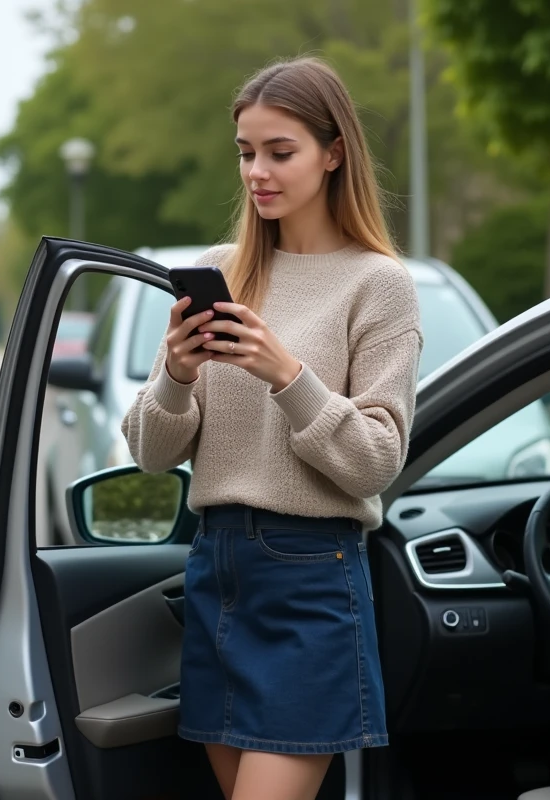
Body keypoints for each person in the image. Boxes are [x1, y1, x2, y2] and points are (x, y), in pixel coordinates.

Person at [120, 56, 422, 800]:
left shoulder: (378, 285)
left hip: (310, 577)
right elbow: (153, 454)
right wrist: (177, 372)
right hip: (216, 570)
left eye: (280, 152)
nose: (258, 171)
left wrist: (286, 374)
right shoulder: (222, 270)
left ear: (334, 152)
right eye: (247, 153)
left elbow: (376, 460)